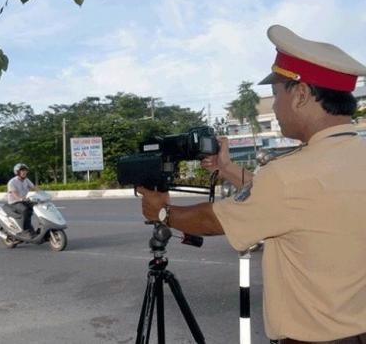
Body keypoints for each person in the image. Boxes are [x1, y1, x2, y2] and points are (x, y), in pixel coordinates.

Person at [139, 25, 366, 343]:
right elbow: (299, 203)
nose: (274, 107)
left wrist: (162, 213)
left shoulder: (289, 176)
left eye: (276, 95)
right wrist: (229, 170)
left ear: (300, 95)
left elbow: (215, 218)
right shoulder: (350, 156)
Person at [7, 163, 40, 238]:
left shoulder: (26, 180)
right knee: (25, 210)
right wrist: (20, 198)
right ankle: (25, 231)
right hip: (14, 202)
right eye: (22, 170)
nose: (24, 172)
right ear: (17, 172)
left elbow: (34, 188)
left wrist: (43, 193)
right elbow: (13, 193)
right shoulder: (12, 182)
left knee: (39, 206)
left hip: (24, 201)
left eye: (25, 170)